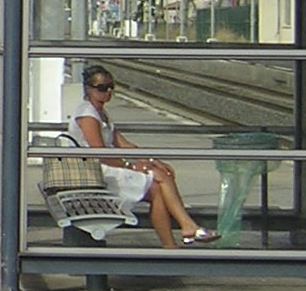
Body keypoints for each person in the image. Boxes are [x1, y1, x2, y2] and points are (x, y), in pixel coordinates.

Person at [72, 65, 214, 247]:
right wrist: (131, 166)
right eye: (102, 88)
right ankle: (186, 228)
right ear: (88, 88)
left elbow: (123, 144)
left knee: (157, 188)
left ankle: (173, 242)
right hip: (96, 172)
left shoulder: (100, 113)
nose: (108, 92)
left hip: (106, 167)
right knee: (159, 178)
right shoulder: (87, 115)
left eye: (110, 87)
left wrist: (152, 160)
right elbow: (100, 153)